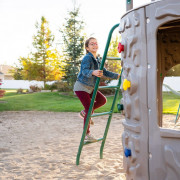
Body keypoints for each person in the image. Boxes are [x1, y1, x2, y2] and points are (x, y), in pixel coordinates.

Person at [73, 37, 120, 142]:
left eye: (95, 43)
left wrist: (117, 76)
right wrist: (92, 72)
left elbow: (105, 72)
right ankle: (87, 134)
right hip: (81, 87)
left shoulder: (98, 59)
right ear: (87, 48)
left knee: (102, 100)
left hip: (90, 88)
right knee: (89, 108)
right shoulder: (87, 58)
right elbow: (84, 71)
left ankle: (85, 113)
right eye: (91, 44)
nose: (94, 45)